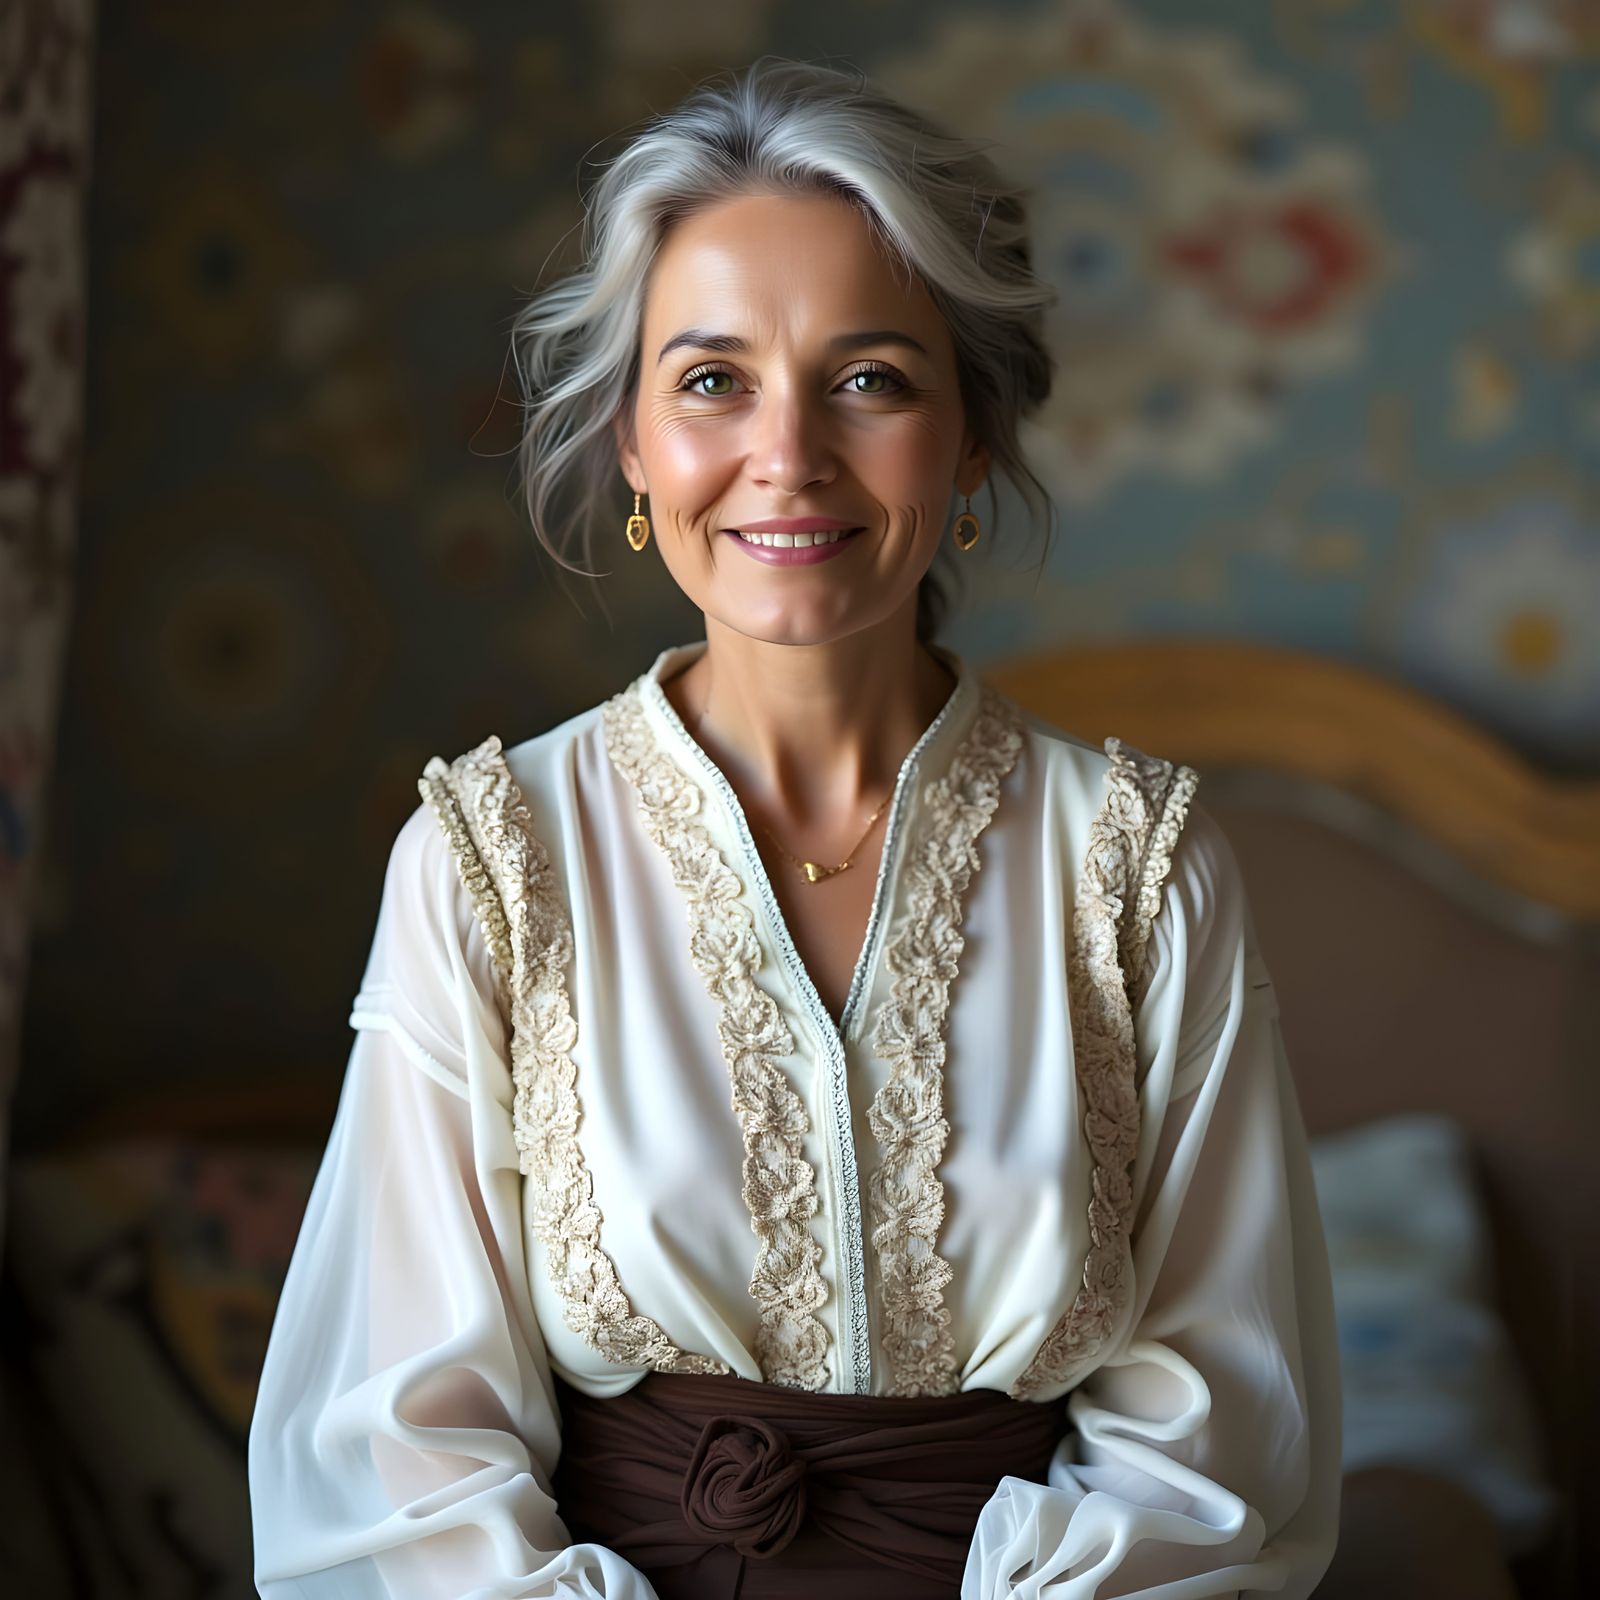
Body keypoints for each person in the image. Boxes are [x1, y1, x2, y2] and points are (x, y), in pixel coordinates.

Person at [248, 56, 1341, 1599]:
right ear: (633, 443)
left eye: (871, 379)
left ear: (971, 439)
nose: (789, 455)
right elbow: (411, 1449)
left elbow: (1213, 1438)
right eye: (713, 381)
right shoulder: (492, 863)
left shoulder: (1136, 870)